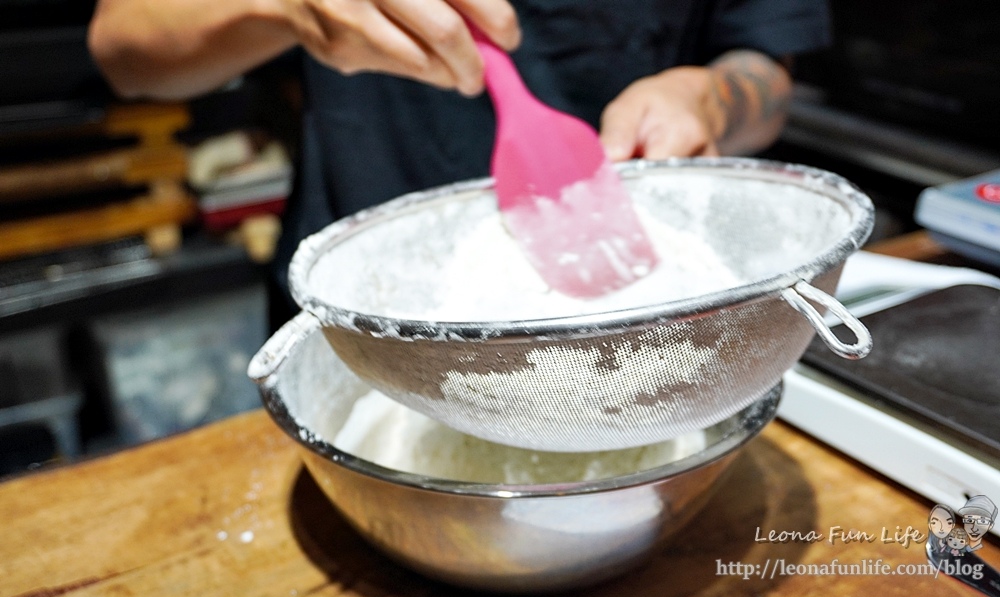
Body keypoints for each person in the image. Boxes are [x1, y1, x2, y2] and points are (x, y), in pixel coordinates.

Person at [87, 0, 831, 297]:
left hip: (641, 317)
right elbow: (124, 46)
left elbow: (765, 66)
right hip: (361, 320)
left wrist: (709, 97)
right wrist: (277, 6)